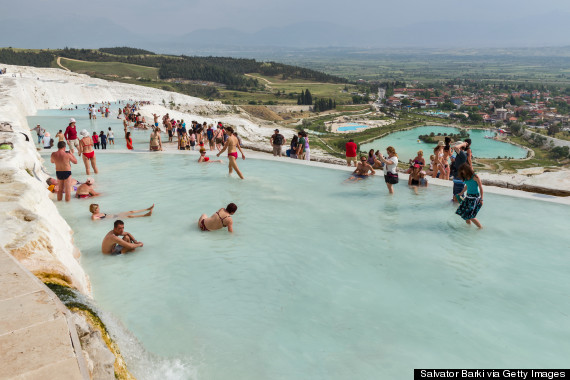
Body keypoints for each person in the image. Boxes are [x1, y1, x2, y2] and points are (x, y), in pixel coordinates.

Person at [455, 163, 484, 229]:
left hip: (475, 198)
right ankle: (468, 228)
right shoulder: (465, 177)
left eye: (464, 171)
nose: (463, 173)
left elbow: (481, 188)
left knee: (470, 216)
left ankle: (480, 228)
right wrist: (461, 193)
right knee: (465, 214)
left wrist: (481, 199)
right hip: (468, 197)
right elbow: (467, 186)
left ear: (467, 170)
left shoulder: (475, 176)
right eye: (462, 172)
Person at [90, 203, 154, 220]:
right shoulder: (94, 216)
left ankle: (147, 209)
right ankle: (145, 215)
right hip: (114, 218)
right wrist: (94, 217)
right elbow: (94, 219)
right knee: (129, 216)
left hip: (116, 215)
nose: (99, 209)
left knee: (131, 211)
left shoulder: (98, 213)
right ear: (95, 210)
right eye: (98, 208)